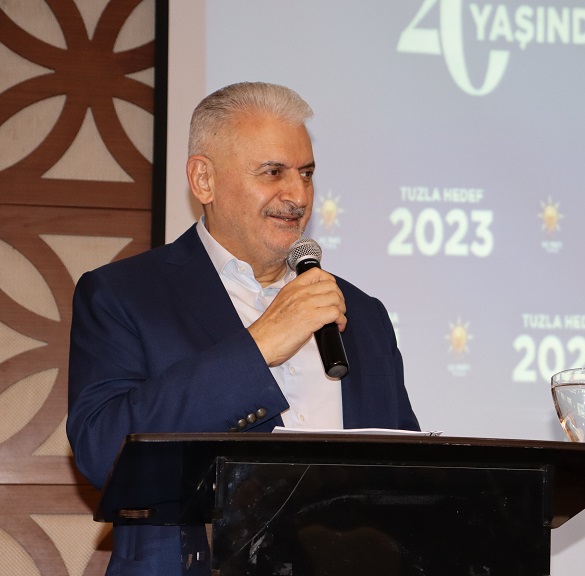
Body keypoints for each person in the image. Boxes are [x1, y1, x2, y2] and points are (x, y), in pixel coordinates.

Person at [67, 81, 420, 575]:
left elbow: (410, 482)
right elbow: (102, 451)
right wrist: (259, 348)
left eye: (306, 173)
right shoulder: (124, 295)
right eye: (273, 172)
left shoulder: (362, 314)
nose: (298, 195)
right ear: (203, 180)